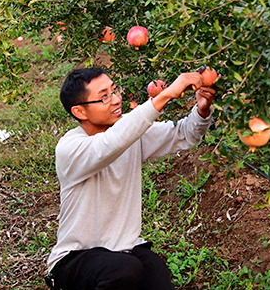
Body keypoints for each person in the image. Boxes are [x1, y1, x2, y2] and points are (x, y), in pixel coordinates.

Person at [45, 67, 215, 290]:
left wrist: (201, 111)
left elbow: (183, 134)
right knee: (123, 269)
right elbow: (110, 144)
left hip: (124, 250)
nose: (116, 100)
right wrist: (165, 94)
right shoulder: (71, 148)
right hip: (74, 261)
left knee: (155, 272)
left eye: (114, 90)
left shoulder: (128, 132)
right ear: (80, 112)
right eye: (104, 97)